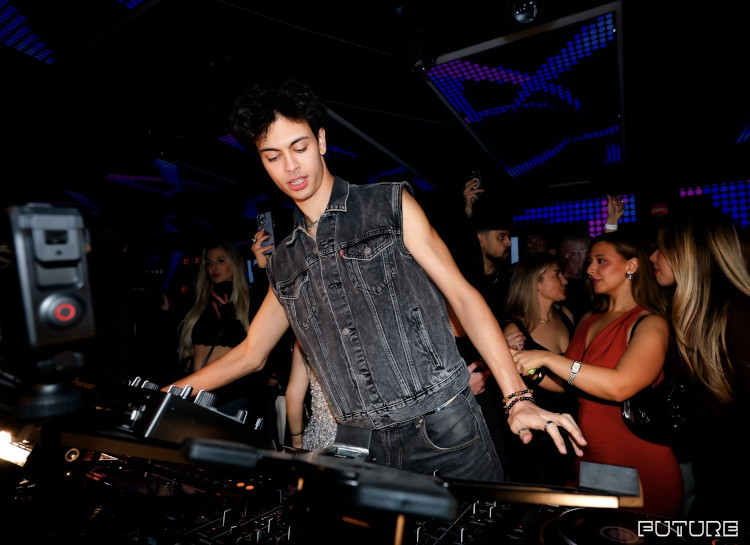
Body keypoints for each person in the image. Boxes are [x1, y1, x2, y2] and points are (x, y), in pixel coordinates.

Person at [164, 78, 586, 482]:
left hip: (442, 428)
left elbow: (462, 295)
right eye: (273, 156)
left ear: (321, 141)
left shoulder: (388, 205)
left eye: (299, 147)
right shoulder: (285, 260)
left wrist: (516, 397)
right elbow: (250, 354)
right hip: (360, 446)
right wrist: (164, 395)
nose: (290, 166)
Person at [511, 231, 683, 518]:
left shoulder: (650, 322)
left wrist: (547, 358)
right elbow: (570, 382)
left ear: (632, 266)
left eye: (601, 261)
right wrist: (531, 371)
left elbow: (620, 387)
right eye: (590, 261)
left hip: (636, 461)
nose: (590, 269)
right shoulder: (588, 319)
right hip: (591, 458)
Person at [650, 209, 750, 530]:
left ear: (687, 254)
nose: (652, 257)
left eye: (661, 249)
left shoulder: (741, 317)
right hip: (715, 469)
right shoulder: (691, 315)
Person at [174, 238, 285, 444]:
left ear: (234, 264)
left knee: (223, 453)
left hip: (231, 395)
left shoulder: (247, 300)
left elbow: (258, 345)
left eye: (221, 260)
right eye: (209, 262)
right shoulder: (199, 303)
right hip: (195, 392)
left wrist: (229, 319)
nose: (213, 267)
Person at [501, 253, 578, 485]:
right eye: (557, 274)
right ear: (535, 282)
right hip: (540, 431)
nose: (565, 280)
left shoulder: (566, 315)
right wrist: (532, 371)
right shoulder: (515, 330)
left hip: (575, 418)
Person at [558, 194, 625, 324]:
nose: (593, 256)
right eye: (589, 252)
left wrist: (612, 223)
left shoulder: (591, 282)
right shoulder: (562, 289)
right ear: (574, 256)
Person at [285, 339, 338, 451]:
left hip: (319, 438)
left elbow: (293, 395)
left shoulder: (306, 336)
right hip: (364, 439)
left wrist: (297, 441)